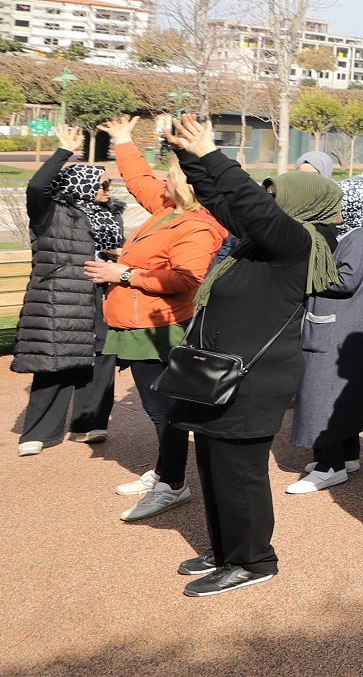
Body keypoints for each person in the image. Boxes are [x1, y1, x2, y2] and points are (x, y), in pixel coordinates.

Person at [161, 115, 341, 597]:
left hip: (252, 378)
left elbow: (250, 206)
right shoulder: (260, 243)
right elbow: (223, 202)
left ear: (302, 203)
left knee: (239, 473)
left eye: (278, 195)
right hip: (220, 371)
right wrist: (188, 154)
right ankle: (226, 548)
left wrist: (212, 153)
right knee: (213, 463)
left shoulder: (297, 243)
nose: (269, 200)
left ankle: (253, 560)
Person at [87, 116, 227, 520]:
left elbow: (186, 279)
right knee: (161, 409)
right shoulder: (170, 210)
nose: (162, 181)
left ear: (185, 184)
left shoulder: (197, 225)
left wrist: (124, 273)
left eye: (170, 176)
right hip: (140, 324)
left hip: (158, 329)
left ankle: (173, 484)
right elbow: (139, 180)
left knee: (164, 411)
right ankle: (167, 471)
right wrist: (123, 140)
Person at [12, 125, 124, 457]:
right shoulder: (50, 211)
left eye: (109, 184)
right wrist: (63, 152)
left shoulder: (109, 216)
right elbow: (37, 186)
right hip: (60, 298)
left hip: (101, 295)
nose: (108, 189)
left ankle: (88, 423)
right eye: (103, 184)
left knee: (101, 357)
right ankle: (39, 432)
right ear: (82, 184)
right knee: (55, 362)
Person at [286, 178, 363, 495]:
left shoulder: (361, 237)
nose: (334, 209)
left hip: (336, 328)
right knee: (340, 394)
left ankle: (329, 466)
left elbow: (345, 281)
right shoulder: (361, 234)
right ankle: (347, 456)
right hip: (339, 325)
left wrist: (303, 273)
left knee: (321, 395)